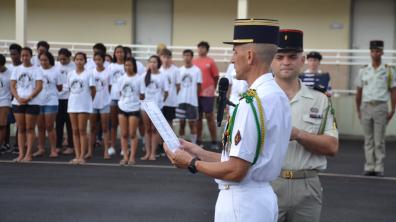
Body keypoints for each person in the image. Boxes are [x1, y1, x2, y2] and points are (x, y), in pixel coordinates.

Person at [164, 19, 291, 222]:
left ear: (249, 56)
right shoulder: (276, 94)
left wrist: (191, 162)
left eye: (235, 52)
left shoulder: (251, 102)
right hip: (260, 198)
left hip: (242, 203)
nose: (232, 60)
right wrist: (198, 151)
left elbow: (236, 170)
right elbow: (243, 159)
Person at [270, 29, 339, 222]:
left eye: (292, 56)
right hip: (267, 184)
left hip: (307, 186)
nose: (286, 62)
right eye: (280, 56)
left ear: (302, 59)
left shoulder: (320, 100)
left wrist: (299, 134)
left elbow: (332, 146)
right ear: (271, 61)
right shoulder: (257, 98)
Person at [355, 40, 396, 177]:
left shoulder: (389, 70)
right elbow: (359, 91)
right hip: (366, 106)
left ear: (382, 52)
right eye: (373, 51)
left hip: (381, 107)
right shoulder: (363, 70)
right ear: (370, 52)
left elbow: (393, 91)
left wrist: (393, 109)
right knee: (368, 139)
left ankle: (379, 167)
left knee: (379, 140)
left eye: (378, 51)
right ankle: (369, 166)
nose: (375, 53)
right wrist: (358, 109)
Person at [10, 47, 43, 162]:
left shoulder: (37, 69)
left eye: (26, 55)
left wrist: (29, 97)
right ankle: (21, 154)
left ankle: (28, 154)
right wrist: (18, 98)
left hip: (32, 103)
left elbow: (39, 86)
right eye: (22, 55)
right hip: (18, 103)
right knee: (21, 129)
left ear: (31, 56)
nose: (24, 57)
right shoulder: (16, 69)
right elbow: (12, 86)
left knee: (30, 128)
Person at [67, 52, 96, 164]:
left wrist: (88, 101)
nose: (79, 61)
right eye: (77, 59)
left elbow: (93, 90)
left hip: (84, 106)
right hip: (72, 105)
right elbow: (70, 89)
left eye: (81, 59)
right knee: (74, 131)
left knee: (82, 130)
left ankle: (82, 156)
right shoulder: (70, 74)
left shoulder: (89, 74)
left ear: (85, 61)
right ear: (74, 61)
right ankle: (77, 155)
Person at [35, 51, 63, 158]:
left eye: (45, 60)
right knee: (40, 127)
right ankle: (41, 149)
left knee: (50, 126)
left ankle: (53, 149)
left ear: (50, 60)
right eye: (41, 60)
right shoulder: (37, 71)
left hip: (51, 101)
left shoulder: (56, 71)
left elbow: (60, 87)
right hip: (38, 102)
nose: (43, 62)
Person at [117, 57, 144, 165]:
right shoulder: (121, 79)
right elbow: (120, 93)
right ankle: (125, 157)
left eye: (130, 65)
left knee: (132, 133)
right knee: (123, 134)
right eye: (126, 65)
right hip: (122, 107)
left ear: (134, 66)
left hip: (134, 108)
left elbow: (142, 94)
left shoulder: (139, 78)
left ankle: (132, 157)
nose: (127, 67)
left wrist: (136, 103)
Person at [141, 55, 169, 160]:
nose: (152, 64)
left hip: (157, 106)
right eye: (151, 62)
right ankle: (147, 153)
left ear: (158, 64)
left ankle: (153, 153)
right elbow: (141, 93)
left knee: (154, 130)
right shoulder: (144, 76)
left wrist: (161, 102)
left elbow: (166, 92)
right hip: (145, 107)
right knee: (147, 129)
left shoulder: (162, 76)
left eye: (155, 62)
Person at [193, 41, 219, 148]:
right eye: (199, 47)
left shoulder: (211, 61)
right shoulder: (194, 61)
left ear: (207, 49)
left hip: (208, 93)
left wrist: (212, 88)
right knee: (198, 117)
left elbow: (216, 76)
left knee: (209, 116)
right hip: (196, 94)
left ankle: (214, 141)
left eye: (203, 47)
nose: (201, 49)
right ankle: (199, 140)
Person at [88, 52, 111, 159]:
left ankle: (106, 151)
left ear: (103, 60)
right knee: (92, 128)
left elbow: (110, 87)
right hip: (93, 103)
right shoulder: (91, 72)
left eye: (99, 59)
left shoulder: (108, 72)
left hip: (104, 103)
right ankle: (89, 151)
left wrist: (106, 97)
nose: (97, 62)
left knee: (105, 129)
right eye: (95, 60)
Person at [176, 49, 202, 144]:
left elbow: (199, 86)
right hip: (181, 101)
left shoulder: (197, 70)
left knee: (192, 124)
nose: (187, 57)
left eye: (188, 55)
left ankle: (193, 145)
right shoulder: (179, 70)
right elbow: (177, 86)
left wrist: (195, 98)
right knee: (181, 124)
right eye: (185, 55)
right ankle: (181, 145)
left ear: (192, 57)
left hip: (192, 101)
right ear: (183, 57)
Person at [55, 48, 75, 155]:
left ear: (69, 57)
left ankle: (71, 145)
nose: (62, 61)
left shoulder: (74, 66)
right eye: (60, 59)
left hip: (69, 98)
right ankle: (58, 145)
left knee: (69, 123)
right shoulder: (55, 66)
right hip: (58, 98)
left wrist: (65, 88)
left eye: (64, 59)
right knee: (58, 123)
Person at [3, 43, 22, 154]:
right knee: (6, 123)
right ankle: (6, 143)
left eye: (15, 54)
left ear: (19, 54)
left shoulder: (23, 68)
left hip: (20, 99)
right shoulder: (9, 68)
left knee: (19, 124)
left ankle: (17, 145)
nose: (13, 56)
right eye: (11, 54)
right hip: (8, 99)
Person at [108, 45, 126, 156]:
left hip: (125, 99)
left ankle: (124, 148)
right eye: (117, 52)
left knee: (125, 126)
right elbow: (109, 84)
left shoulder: (127, 65)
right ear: (114, 54)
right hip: (113, 98)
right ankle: (112, 146)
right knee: (113, 124)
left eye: (121, 52)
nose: (119, 54)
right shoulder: (111, 66)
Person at [160, 48, 180, 127]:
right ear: (160, 58)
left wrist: (173, 96)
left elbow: (178, 86)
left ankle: (169, 140)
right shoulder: (159, 70)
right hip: (160, 101)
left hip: (171, 102)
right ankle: (160, 139)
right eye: (164, 57)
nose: (166, 59)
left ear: (170, 58)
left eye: (168, 57)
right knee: (160, 123)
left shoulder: (175, 70)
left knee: (169, 123)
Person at [0, 54, 12, 154]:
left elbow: (12, 88)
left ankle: (2, 145)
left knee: (2, 124)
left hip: (5, 101)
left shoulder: (10, 73)